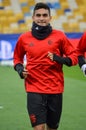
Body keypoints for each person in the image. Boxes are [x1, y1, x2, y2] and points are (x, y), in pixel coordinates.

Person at [13, 2, 78, 130]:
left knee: (52, 128)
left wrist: (59, 59)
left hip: (55, 89)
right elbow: (17, 58)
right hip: (34, 88)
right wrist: (20, 69)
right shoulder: (24, 38)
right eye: (38, 15)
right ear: (33, 17)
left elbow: (74, 58)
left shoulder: (60, 36)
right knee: (38, 128)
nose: (41, 18)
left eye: (44, 15)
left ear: (50, 18)